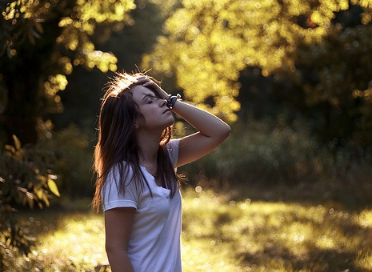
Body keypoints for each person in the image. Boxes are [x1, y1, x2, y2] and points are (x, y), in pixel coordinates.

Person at [92, 72, 231, 272]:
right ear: (133, 121)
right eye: (150, 101)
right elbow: (115, 249)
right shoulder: (123, 173)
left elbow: (220, 131)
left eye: (159, 98)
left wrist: (170, 99)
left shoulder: (166, 156)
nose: (161, 103)